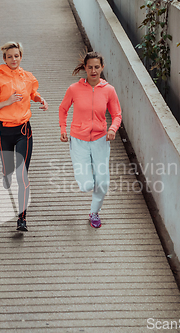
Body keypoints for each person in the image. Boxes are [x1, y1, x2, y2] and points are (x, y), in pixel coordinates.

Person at [0, 41, 48, 232]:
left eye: (17, 56)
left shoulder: (27, 77)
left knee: (23, 176)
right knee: (8, 168)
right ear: (4, 58)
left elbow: (32, 92)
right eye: (10, 56)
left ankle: (22, 219)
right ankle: (5, 174)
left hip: (23, 131)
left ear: (21, 56)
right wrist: (7, 101)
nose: (14, 59)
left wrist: (40, 99)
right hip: (4, 131)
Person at [59, 51, 122, 228]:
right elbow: (63, 109)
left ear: (102, 67)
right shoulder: (74, 89)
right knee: (86, 185)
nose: (93, 70)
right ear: (85, 68)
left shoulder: (109, 90)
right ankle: (89, 175)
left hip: (101, 139)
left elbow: (117, 114)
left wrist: (112, 128)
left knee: (102, 182)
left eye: (97, 67)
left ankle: (94, 212)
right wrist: (63, 128)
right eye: (90, 67)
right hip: (78, 139)